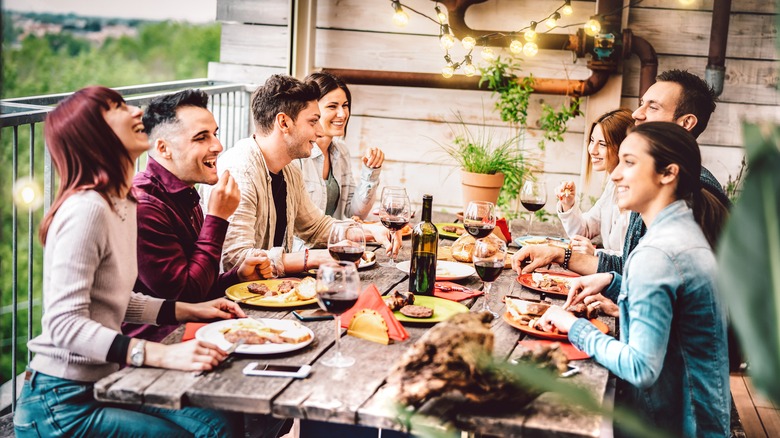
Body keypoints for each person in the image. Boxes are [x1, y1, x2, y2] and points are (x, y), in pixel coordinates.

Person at [14, 86, 246, 437]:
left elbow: (116, 301)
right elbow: (63, 324)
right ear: (96, 135)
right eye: (118, 108)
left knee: (219, 424)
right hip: (60, 401)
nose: (137, 112)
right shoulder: (86, 209)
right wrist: (162, 355)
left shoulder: (123, 203)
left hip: (104, 379)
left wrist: (187, 311)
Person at [538, 122, 730, 437]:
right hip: (703, 419)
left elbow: (640, 368)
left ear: (667, 173)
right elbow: (677, 307)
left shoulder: (656, 252)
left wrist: (572, 325)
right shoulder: (683, 232)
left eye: (629, 163)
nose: (614, 174)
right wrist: (612, 280)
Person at [513, 69, 729, 276]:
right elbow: (629, 267)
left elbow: (668, 300)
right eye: (641, 104)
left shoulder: (691, 196)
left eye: (653, 107)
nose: (637, 113)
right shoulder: (652, 181)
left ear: (686, 123)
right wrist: (559, 254)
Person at [207, 74, 398, 275]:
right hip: (234, 300)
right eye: (313, 122)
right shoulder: (240, 172)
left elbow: (316, 226)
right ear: (284, 123)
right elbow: (236, 260)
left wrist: (372, 231)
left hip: (273, 290)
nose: (318, 131)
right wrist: (313, 258)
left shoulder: (289, 171)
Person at [122, 89, 273, 342]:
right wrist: (217, 218)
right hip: (158, 346)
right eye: (202, 138)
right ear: (164, 148)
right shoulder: (144, 206)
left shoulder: (185, 191)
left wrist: (237, 276)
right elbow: (185, 296)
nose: (218, 146)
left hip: (194, 331)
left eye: (215, 134)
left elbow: (197, 283)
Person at [295, 71, 384, 220]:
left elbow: (354, 213)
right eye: (332, 106)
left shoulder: (341, 151)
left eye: (345, 105)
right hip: (307, 243)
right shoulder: (297, 157)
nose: (342, 114)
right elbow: (300, 227)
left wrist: (370, 172)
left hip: (333, 241)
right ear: (313, 110)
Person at [556, 108, 633, 256]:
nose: (592, 150)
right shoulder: (612, 186)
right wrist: (568, 204)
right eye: (592, 141)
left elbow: (630, 259)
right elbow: (584, 231)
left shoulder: (636, 196)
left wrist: (596, 253)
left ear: (623, 148)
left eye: (602, 144)